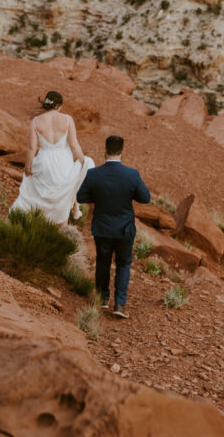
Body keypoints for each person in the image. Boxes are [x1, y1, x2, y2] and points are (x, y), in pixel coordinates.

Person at [76, 134, 150, 319]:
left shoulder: (94, 174)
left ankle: (102, 299)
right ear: (122, 151)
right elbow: (145, 198)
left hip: (102, 227)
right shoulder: (132, 174)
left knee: (103, 262)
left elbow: (81, 197)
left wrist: (99, 198)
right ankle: (119, 304)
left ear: (105, 150)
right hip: (125, 228)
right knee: (123, 264)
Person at [10, 90, 94, 225]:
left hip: (44, 161)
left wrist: (28, 166)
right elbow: (73, 145)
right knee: (62, 197)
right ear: (59, 105)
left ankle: (38, 222)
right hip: (63, 162)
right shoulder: (67, 119)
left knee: (38, 195)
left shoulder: (36, 121)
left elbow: (32, 147)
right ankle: (61, 226)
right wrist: (84, 161)